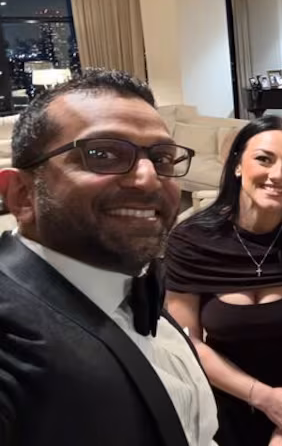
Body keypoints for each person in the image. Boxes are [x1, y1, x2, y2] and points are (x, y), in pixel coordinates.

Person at [0, 69, 218, 446]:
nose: (148, 178)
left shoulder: (135, 285)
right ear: (21, 194)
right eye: (102, 154)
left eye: (162, 158)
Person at [165, 116, 282, 446]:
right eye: (264, 159)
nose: (278, 175)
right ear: (237, 165)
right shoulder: (191, 240)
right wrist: (264, 398)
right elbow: (187, 342)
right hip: (220, 402)